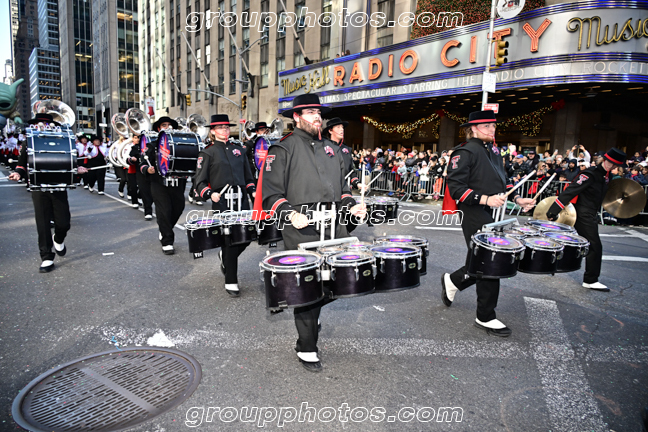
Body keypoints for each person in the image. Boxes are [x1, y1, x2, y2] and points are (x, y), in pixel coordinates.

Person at [259, 93, 366, 372]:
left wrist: (352, 206)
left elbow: (343, 190)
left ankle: (310, 310)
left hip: (333, 226)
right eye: (309, 112)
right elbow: (271, 194)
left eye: (318, 112)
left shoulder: (333, 149)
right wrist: (290, 214)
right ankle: (307, 346)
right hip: (301, 227)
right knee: (307, 285)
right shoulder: (282, 149)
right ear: (296, 117)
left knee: (337, 282)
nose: (317, 117)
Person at [441, 110, 535, 337]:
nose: (492, 129)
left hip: (491, 209)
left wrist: (517, 198)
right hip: (472, 209)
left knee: (481, 259)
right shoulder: (464, 152)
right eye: (486, 126)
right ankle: (485, 316)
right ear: (473, 128)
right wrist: (485, 199)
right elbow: (456, 188)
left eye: (493, 125)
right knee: (492, 258)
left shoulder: (494, 151)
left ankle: (454, 281)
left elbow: (502, 181)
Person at [8, 113, 88, 272]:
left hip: (59, 186)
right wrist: (18, 173)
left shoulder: (62, 140)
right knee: (43, 223)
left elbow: (69, 160)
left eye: (46, 123)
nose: (43, 126)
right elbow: (22, 164)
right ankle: (46, 257)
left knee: (64, 223)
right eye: (39, 123)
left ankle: (58, 239)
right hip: (39, 187)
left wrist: (77, 168)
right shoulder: (29, 141)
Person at [546, 148, 627, 291]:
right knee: (595, 246)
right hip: (583, 214)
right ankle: (590, 280)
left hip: (590, 214)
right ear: (605, 160)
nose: (614, 166)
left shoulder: (605, 176)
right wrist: (554, 210)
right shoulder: (590, 174)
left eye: (616, 165)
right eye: (612, 163)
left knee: (572, 243)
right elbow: (571, 190)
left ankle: (552, 266)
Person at [194, 114, 256, 297]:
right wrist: (209, 193)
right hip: (222, 200)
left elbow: (248, 176)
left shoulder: (239, 150)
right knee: (229, 240)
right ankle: (231, 280)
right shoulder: (208, 152)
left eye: (227, 127)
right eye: (220, 127)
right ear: (213, 131)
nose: (225, 130)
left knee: (246, 237)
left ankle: (225, 258)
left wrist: (252, 191)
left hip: (241, 200)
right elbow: (199, 181)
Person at [140, 116, 186, 255]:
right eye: (164, 125)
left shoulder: (180, 143)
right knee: (164, 210)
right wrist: (147, 169)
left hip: (177, 182)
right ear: (159, 129)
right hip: (158, 183)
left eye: (169, 125)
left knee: (178, 208)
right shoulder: (152, 145)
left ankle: (165, 228)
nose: (167, 127)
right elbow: (143, 163)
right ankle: (167, 241)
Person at [323, 117, 361, 190]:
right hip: (327, 189)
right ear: (330, 131)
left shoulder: (346, 150)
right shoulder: (322, 147)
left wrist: (357, 183)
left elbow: (351, 170)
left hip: (343, 189)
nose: (342, 129)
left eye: (342, 127)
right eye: (338, 127)